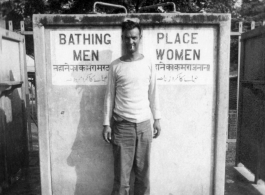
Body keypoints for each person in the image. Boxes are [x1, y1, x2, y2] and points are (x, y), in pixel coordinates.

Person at [102, 19, 161, 195]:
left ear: (140, 37)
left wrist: (157, 119)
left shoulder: (149, 63)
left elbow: (154, 93)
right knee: (121, 180)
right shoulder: (115, 66)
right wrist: (106, 123)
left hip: (144, 125)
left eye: (134, 38)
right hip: (122, 126)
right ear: (122, 38)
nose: (131, 42)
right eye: (127, 38)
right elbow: (109, 96)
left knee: (143, 178)